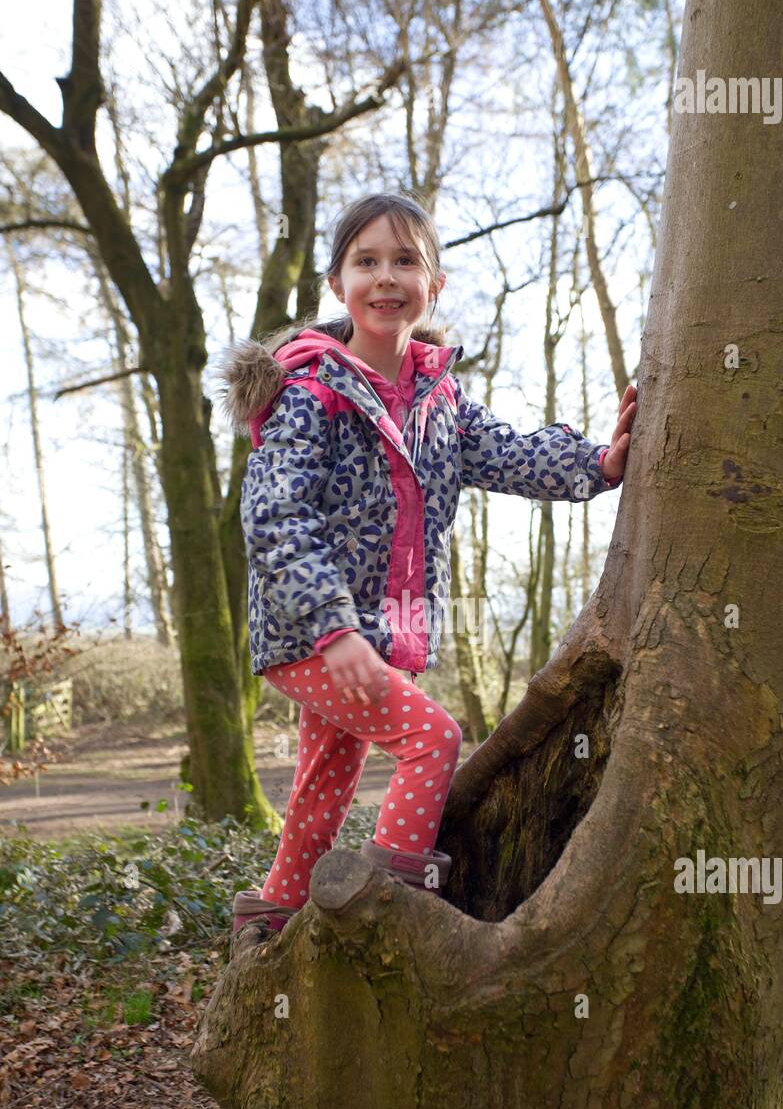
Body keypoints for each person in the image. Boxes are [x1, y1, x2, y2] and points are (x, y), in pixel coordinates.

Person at [218, 191, 635, 951]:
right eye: (366, 261)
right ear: (338, 286)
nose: (386, 277)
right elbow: (276, 517)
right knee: (432, 739)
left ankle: (272, 914)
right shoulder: (309, 394)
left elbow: (504, 452)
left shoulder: (436, 397)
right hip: (311, 631)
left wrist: (597, 463)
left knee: (325, 777)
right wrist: (333, 628)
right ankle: (397, 919)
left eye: (405, 260)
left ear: (433, 285)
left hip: (377, 633)